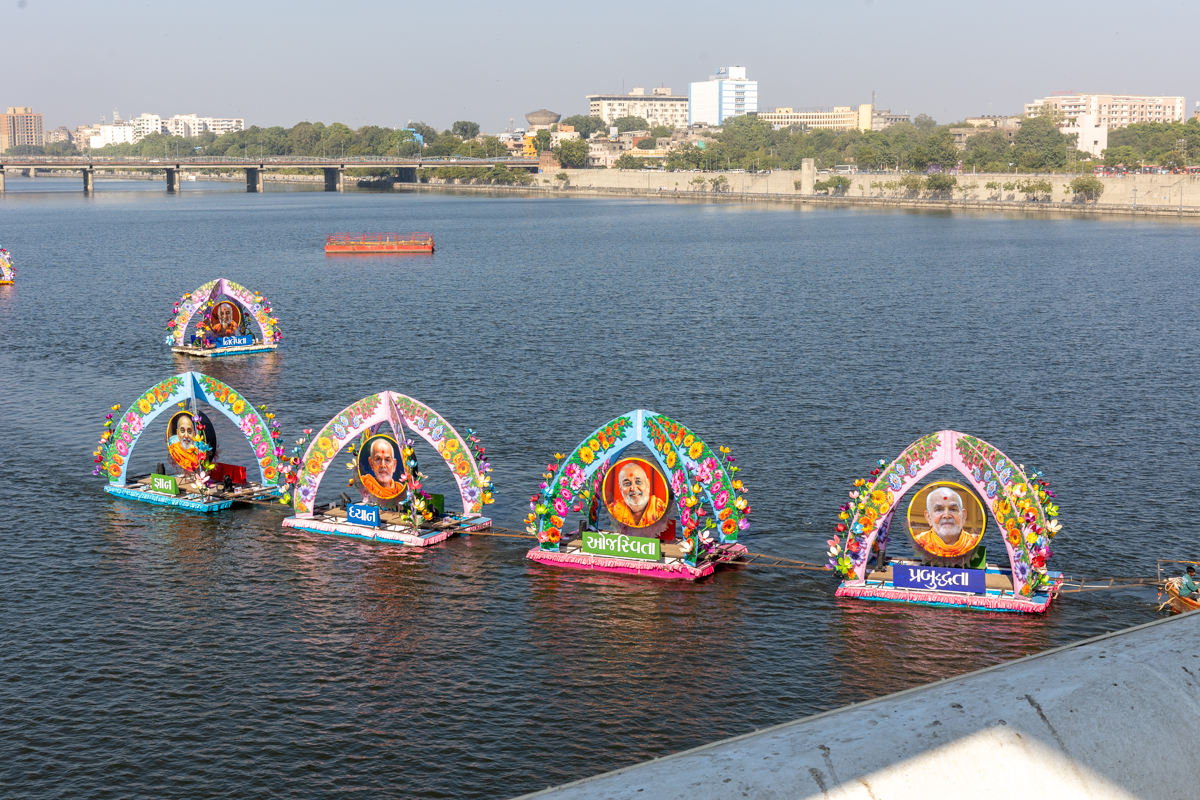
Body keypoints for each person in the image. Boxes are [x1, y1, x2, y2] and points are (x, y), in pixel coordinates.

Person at [910, 486, 980, 560]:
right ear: (929, 517)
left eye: (953, 509)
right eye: (939, 510)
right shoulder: (918, 542)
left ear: (963, 516)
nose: (947, 516)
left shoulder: (976, 542)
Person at [609, 460, 667, 528]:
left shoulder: (661, 510)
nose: (633, 489)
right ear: (620, 488)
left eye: (638, 482)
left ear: (647, 484)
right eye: (627, 483)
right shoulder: (613, 510)